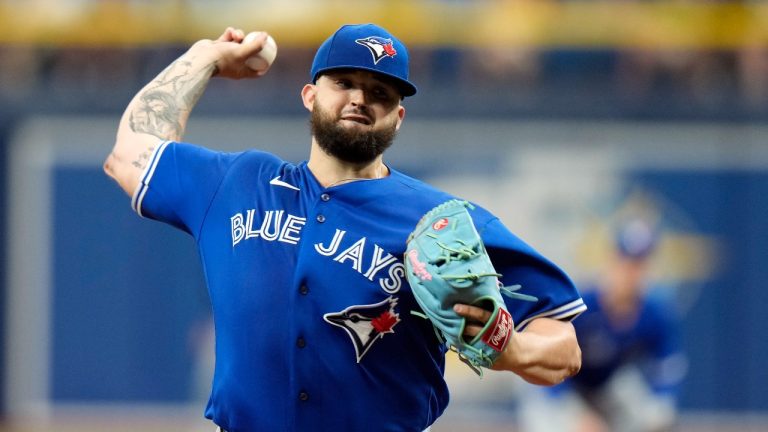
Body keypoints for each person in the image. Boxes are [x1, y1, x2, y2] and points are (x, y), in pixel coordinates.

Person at [104, 23, 585, 432]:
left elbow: (565, 348)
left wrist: (515, 349)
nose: (360, 98)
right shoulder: (237, 184)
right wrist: (204, 56)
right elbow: (129, 153)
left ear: (398, 116)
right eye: (344, 82)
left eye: (380, 92)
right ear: (310, 95)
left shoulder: (442, 220)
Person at [519, 217, 687, 432]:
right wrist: (577, 417)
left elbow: (668, 365)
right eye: (626, 262)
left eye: (639, 264)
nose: (631, 273)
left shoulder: (653, 312)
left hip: (605, 385)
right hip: (552, 384)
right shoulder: (582, 305)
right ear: (612, 261)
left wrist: (661, 405)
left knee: (656, 419)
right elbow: (545, 359)